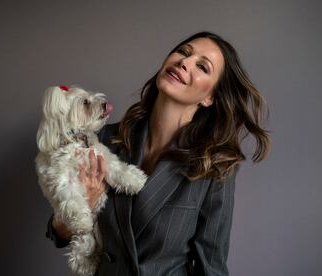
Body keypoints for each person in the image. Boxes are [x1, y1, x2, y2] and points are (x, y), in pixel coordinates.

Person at [46, 31, 271, 275]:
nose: (184, 62)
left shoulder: (215, 167)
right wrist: (82, 207)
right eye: (183, 52)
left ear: (209, 97)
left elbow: (211, 266)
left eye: (202, 67)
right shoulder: (101, 140)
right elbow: (58, 234)